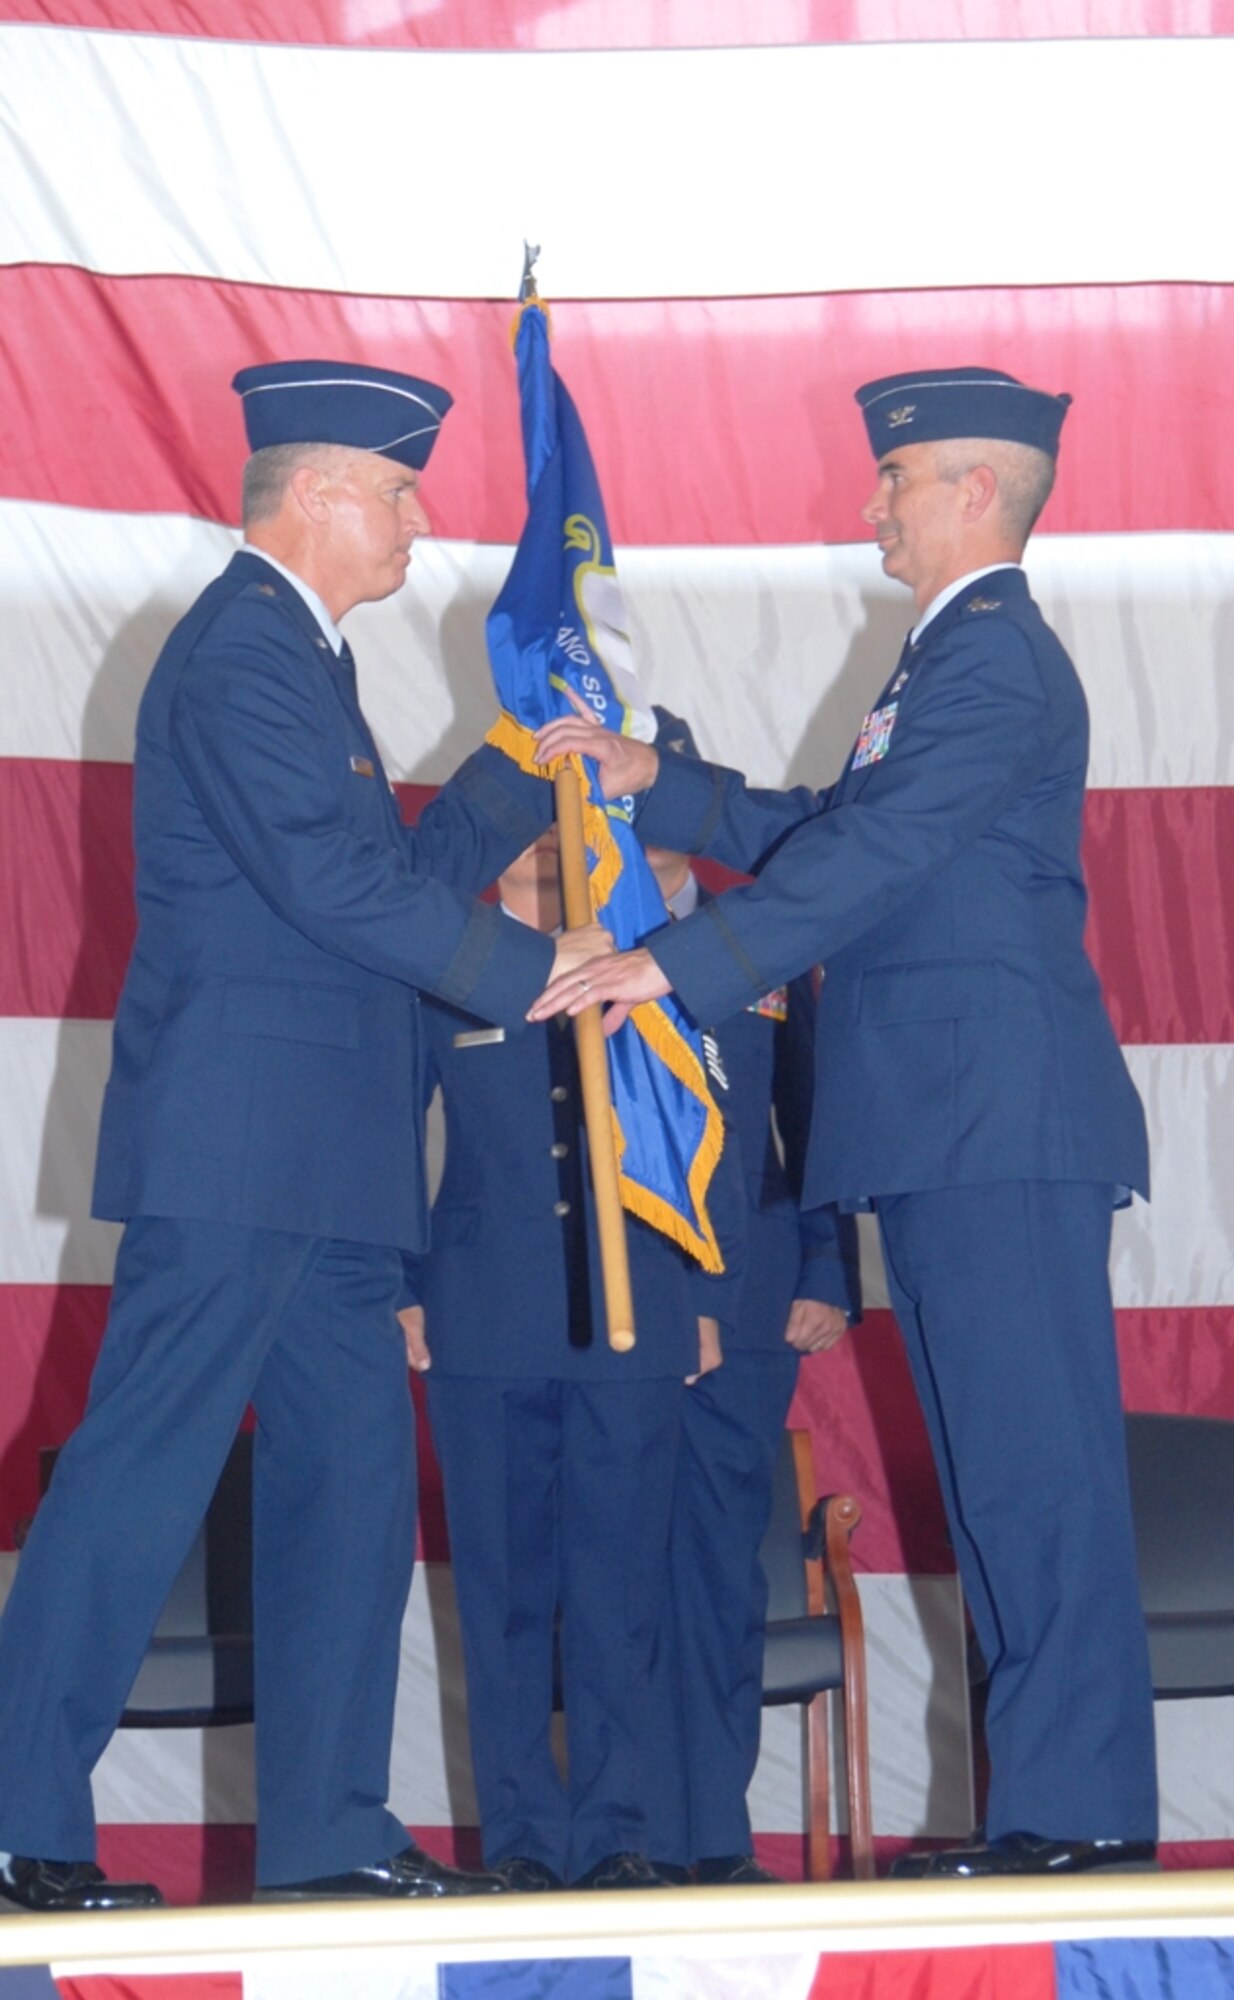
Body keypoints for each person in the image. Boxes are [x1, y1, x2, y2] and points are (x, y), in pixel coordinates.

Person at [527, 367, 1160, 1879]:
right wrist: (653, 785)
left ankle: (1076, 1820)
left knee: (1039, 1482)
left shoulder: (992, 661)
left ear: (972, 492)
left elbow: (864, 862)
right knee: (1003, 1485)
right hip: (950, 1128)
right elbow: (835, 828)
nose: (868, 501)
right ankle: (1049, 1815)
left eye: (895, 477)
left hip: (994, 1125)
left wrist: (668, 961)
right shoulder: (944, 662)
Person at [0, 358, 609, 1914]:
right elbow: (342, 897)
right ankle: (19, 1823)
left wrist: (511, 760)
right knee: (140, 1476)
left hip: (326, 1164)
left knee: (347, 1500)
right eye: (399, 493)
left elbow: (368, 876)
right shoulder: (242, 653)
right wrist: (549, 969)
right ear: (320, 493)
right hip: (242, 1149)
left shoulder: (304, 661)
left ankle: (329, 1831)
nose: (418, 521)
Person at [399, 822, 744, 1892]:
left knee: (618, 1587)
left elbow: (693, 1137)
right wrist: (406, 1288)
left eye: (574, 841)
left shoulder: (647, 973)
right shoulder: (445, 967)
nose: (552, 859)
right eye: (532, 845)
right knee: (501, 1589)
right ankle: (518, 1837)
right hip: (482, 1318)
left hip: (630, 1315)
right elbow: (387, 1135)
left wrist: (694, 1293)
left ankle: (613, 1831)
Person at [638, 714, 861, 1887]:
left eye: (663, 789)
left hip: (754, 1285)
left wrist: (828, 1267)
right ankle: (621, 1833)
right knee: (614, 1560)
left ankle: (712, 1839)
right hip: (610, 1301)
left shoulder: (761, 938)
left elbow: (812, 1120)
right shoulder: (564, 940)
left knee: (725, 1562)